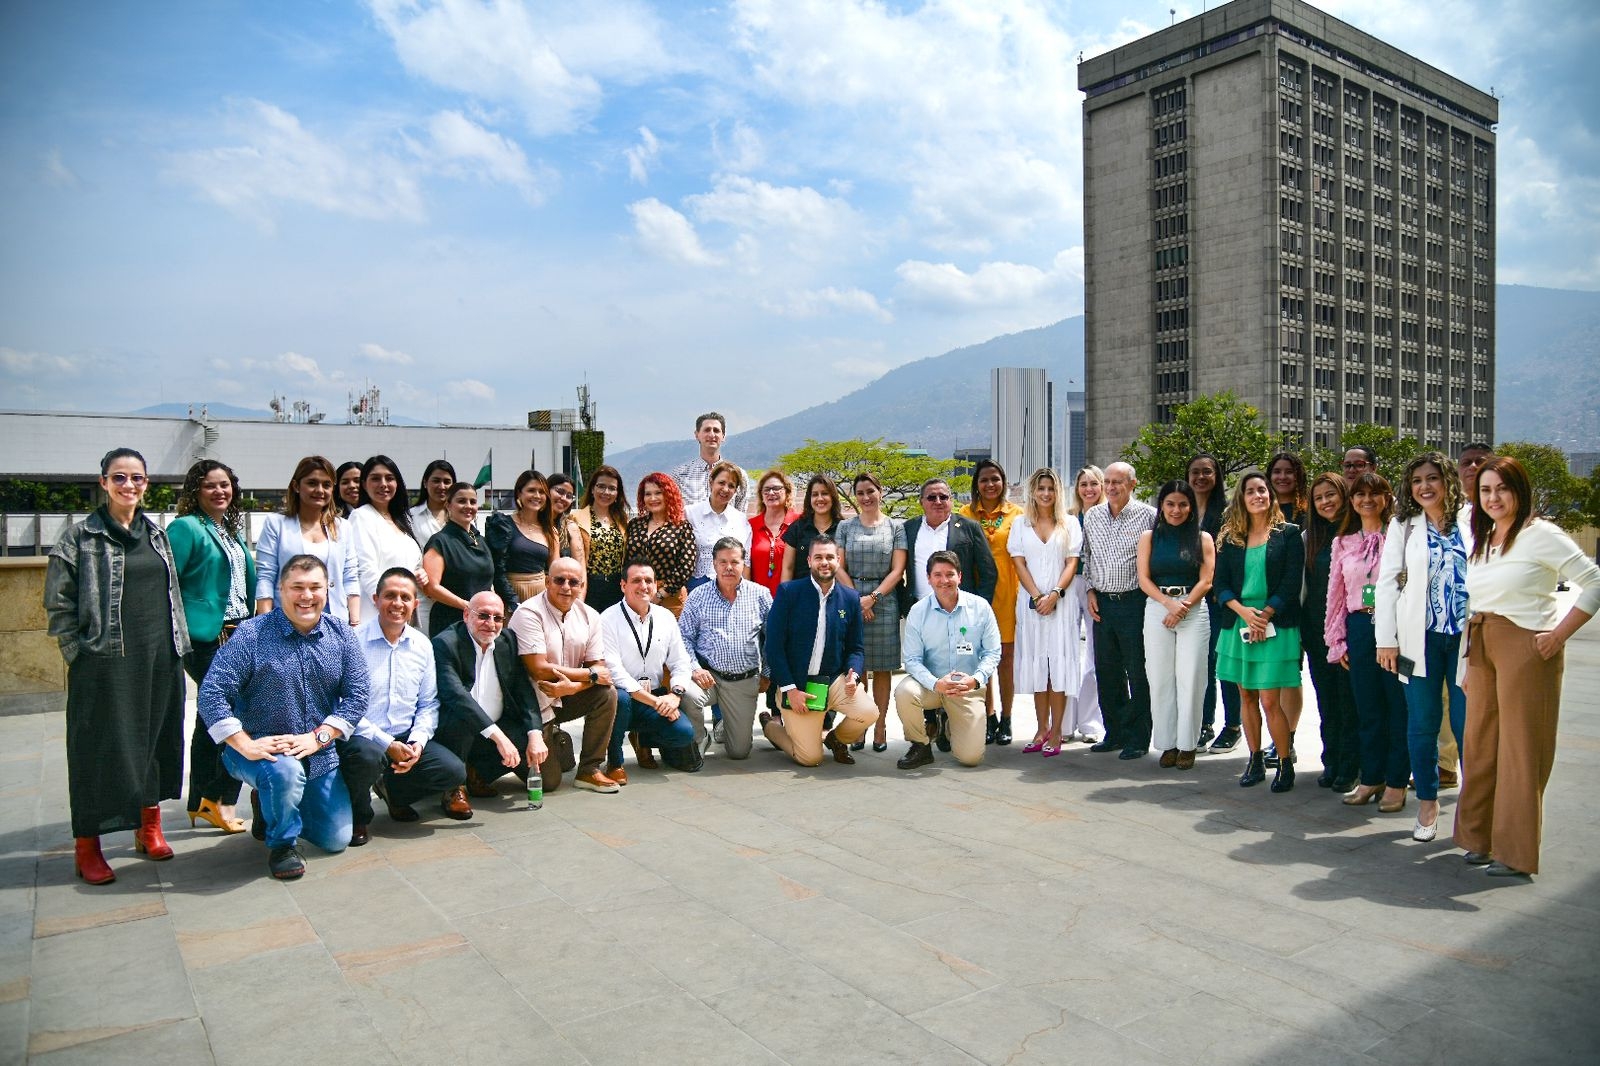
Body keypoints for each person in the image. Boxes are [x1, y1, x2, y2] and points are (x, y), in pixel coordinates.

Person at [45, 447, 189, 885]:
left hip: (160, 656)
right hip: (105, 663)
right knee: (97, 751)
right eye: (120, 477)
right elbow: (58, 604)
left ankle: (149, 827)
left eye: (138, 478)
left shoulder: (157, 535)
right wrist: (81, 656)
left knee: (154, 742)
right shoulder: (80, 537)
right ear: (104, 481)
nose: (129, 485)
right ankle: (87, 845)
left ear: (147, 484)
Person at [1456, 456, 1600, 878]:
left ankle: (1515, 852)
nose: (1493, 498)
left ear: (1520, 490)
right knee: (1480, 745)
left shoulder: (1541, 535)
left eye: (1502, 488)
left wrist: (1558, 635)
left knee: (1521, 750)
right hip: (1482, 644)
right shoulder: (1485, 538)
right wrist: (1468, 664)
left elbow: (1593, 581)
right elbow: (1474, 601)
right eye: (1485, 490)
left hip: (1525, 645)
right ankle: (1478, 839)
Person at [197, 555, 366, 880]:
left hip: (317, 754)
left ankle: (273, 805)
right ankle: (283, 844)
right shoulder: (251, 635)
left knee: (336, 839)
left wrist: (319, 737)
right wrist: (243, 744)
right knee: (283, 773)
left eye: (315, 587)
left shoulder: (341, 635)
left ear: (326, 590)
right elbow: (212, 693)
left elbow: (358, 695)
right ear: (280, 589)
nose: (306, 596)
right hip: (262, 752)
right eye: (297, 588)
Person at [1377, 452, 1469, 843]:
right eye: (1417, 481)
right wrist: (1386, 639)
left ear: (1448, 480)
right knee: (1422, 723)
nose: (1425, 486)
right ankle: (1428, 802)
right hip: (1421, 638)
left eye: (1432, 478)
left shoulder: (1472, 520)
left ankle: (1473, 811)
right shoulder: (1404, 526)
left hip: (1466, 640)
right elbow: (1385, 583)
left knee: (1470, 727)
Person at [339, 569, 470, 845]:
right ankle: (359, 816)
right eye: (390, 596)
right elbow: (345, 706)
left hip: (405, 734)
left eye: (405, 597)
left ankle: (395, 792)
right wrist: (387, 744)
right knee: (366, 758)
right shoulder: (354, 642)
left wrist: (418, 742)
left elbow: (428, 702)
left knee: (453, 770)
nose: (397, 603)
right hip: (364, 737)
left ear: (414, 604)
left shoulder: (421, 645)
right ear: (375, 599)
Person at [167, 459, 256, 834]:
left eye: (225, 485)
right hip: (206, 637)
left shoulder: (230, 531)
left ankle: (202, 802)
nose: (220, 491)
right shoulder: (185, 529)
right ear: (195, 492)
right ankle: (219, 799)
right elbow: (167, 585)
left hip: (237, 633)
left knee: (210, 719)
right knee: (229, 715)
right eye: (210, 486)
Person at [1214, 471, 1304, 791]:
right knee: (1246, 696)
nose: (1258, 495)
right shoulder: (1228, 537)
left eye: (1262, 490)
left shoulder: (1289, 534)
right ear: (1241, 498)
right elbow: (1220, 585)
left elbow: (1292, 583)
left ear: (1270, 495)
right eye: (1250, 491)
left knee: (1269, 700)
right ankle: (1253, 759)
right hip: (1239, 623)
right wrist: (1242, 612)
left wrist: (1264, 615)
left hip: (1275, 623)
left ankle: (1284, 762)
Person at [1326, 472, 1409, 813]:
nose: (1367, 500)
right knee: (1368, 709)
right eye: (1360, 494)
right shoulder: (1343, 541)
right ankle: (1371, 776)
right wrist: (1337, 640)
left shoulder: (1403, 536)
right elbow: (1336, 595)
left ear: (1388, 497)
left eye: (1375, 493)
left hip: (1398, 628)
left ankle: (1396, 782)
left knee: (1397, 708)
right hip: (1360, 627)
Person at [762, 536, 879, 766]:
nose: (824, 562)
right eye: (818, 557)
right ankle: (771, 728)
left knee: (869, 712)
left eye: (829, 557)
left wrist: (853, 674)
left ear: (838, 560)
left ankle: (835, 739)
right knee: (810, 758)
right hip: (798, 686)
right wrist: (790, 689)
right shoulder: (789, 593)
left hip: (833, 681)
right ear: (808, 561)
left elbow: (856, 647)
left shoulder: (850, 598)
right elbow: (773, 647)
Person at [509, 557, 622, 793]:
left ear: (582, 586)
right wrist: (587, 676)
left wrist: (573, 687)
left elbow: (599, 671)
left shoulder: (590, 615)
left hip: (564, 695)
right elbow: (539, 669)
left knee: (607, 694)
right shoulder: (528, 613)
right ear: (547, 582)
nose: (566, 587)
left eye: (573, 582)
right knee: (549, 783)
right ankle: (499, 754)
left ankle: (589, 770)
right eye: (559, 580)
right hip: (531, 707)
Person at [903, 477, 997, 749]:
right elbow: (897, 566)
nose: (938, 502)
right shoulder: (909, 529)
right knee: (927, 663)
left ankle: (955, 719)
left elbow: (988, 571)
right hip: (923, 612)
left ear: (951, 500)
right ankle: (930, 719)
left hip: (960, 611)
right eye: (931, 497)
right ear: (921, 502)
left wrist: (978, 609)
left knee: (959, 663)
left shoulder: (968, 527)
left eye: (943, 497)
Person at [433, 591, 549, 799]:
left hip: (495, 727)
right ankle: (453, 789)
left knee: (546, 774)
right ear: (466, 615)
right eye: (483, 616)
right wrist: (500, 738)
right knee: (462, 720)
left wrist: (535, 735)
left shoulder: (507, 640)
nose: (491, 623)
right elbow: (458, 698)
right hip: (456, 729)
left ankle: (478, 773)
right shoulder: (446, 644)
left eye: (498, 618)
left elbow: (523, 690)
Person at [601, 560, 710, 780]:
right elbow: (615, 672)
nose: (644, 586)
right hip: (625, 698)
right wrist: (654, 702)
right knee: (618, 698)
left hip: (656, 695)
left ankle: (642, 739)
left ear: (656, 584)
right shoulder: (607, 619)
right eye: (636, 580)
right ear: (623, 585)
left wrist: (675, 696)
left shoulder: (665, 617)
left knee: (683, 734)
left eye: (649, 580)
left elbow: (681, 661)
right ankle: (615, 761)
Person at [895, 551, 1004, 769]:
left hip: (967, 688)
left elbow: (992, 652)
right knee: (904, 692)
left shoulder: (980, 607)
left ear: (960, 577)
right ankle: (921, 745)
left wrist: (975, 680)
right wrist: (936, 683)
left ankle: (947, 724)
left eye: (950, 574)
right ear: (928, 578)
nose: (944, 581)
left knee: (970, 758)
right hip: (932, 685)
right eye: (937, 575)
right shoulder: (918, 611)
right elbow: (912, 660)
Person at [1136, 480, 1215, 770]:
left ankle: (1187, 745)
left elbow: (1206, 580)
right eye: (1170, 504)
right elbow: (1144, 578)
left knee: (1191, 678)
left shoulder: (1202, 537)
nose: (1176, 509)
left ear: (1191, 506)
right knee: (1159, 679)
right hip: (1158, 607)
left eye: (1183, 504)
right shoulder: (1150, 537)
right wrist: (1168, 604)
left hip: (1193, 611)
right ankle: (1167, 744)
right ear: (1162, 506)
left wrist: (1182, 607)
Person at [1082, 462, 1157, 760]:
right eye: (1108, 482)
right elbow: (1087, 557)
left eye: (1118, 482)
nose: (1111, 487)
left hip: (1134, 603)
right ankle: (1114, 732)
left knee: (1137, 672)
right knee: (1107, 671)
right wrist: (1089, 589)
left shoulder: (1148, 516)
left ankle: (1139, 737)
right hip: (1102, 604)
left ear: (1132, 484)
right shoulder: (1093, 515)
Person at [1007, 468, 1083, 756]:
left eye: (1051, 488)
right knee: (1039, 665)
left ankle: (1057, 732)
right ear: (1033, 492)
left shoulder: (1070, 524)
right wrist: (1038, 596)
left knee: (1058, 666)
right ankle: (1040, 729)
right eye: (1041, 488)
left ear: (1058, 492)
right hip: (1031, 606)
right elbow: (1019, 564)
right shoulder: (1020, 525)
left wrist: (1055, 594)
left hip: (1062, 606)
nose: (1046, 493)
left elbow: (1071, 563)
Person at [680, 538, 773, 760]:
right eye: (722, 562)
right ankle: (700, 737)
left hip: (743, 679)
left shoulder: (760, 594)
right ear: (713, 564)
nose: (728, 567)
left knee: (739, 752)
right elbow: (682, 636)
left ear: (743, 563)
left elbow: (774, 638)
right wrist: (694, 668)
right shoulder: (699, 596)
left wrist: (767, 673)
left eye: (734, 561)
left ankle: (727, 727)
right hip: (708, 676)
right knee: (688, 695)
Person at [836, 471, 907, 752]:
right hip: (852, 597)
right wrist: (857, 599)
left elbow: (898, 569)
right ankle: (860, 724)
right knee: (858, 667)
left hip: (885, 601)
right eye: (860, 493)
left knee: (883, 669)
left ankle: (880, 726)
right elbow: (838, 566)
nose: (866, 497)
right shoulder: (845, 527)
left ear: (881, 492)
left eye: (870, 491)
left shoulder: (895, 528)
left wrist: (873, 598)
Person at [1303, 473, 1360, 792]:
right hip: (1316, 632)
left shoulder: (1359, 533)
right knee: (1327, 700)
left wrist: (1369, 616)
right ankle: (1332, 760)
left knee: (1349, 701)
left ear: (1343, 495)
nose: (1325, 502)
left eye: (1330, 495)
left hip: (1351, 632)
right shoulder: (1309, 537)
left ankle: (1352, 765)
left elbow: (1370, 583)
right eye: (1319, 498)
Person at [961, 458, 1023, 745]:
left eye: (995, 479)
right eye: (984, 480)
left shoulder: (1017, 514)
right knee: (980, 660)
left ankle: (1008, 718)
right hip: (976, 596)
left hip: (1007, 595)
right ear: (976, 484)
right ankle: (989, 715)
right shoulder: (964, 514)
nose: (990, 485)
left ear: (1003, 482)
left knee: (1006, 661)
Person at [255, 455, 361, 624]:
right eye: (312, 483)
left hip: (334, 620)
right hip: (286, 621)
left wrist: (354, 623)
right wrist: (264, 624)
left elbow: (350, 577)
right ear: (297, 486)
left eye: (326, 485)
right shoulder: (276, 524)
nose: (320, 490)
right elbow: (266, 577)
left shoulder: (343, 527)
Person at [1188, 452, 1238, 752]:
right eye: (1195, 472)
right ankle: (1204, 723)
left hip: (1220, 600)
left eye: (1207, 471)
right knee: (1200, 665)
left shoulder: (1229, 513)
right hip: (1191, 600)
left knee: (1224, 664)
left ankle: (1232, 725)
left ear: (1217, 476)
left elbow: (1232, 557)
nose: (1201, 477)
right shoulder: (1182, 509)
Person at [348, 454, 428, 604]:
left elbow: (412, 563)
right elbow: (366, 570)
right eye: (375, 478)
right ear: (364, 484)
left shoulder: (403, 520)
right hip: (378, 610)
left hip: (402, 608)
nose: (383, 484)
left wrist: (420, 572)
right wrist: (385, 602)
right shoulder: (361, 516)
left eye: (389, 478)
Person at [421, 482, 493, 636]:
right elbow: (431, 588)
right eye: (461, 501)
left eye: (472, 502)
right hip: (451, 624)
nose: (468, 506)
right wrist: (468, 606)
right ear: (448, 505)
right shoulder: (440, 541)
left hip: (481, 621)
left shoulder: (481, 541)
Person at [1067, 466, 1107, 744]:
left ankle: (1091, 723)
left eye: (1094, 483)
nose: (1089, 489)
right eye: (1083, 484)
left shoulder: (1107, 517)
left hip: (1097, 588)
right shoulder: (1068, 518)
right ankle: (1065, 723)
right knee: (1067, 654)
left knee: (1093, 657)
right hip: (1070, 584)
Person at [627, 473, 697, 616]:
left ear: (669, 495)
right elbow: (627, 560)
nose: (653, 498)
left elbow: (686, 566)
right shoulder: (635, 524)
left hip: (671, 598)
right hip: (637, 592)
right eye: (648, 494)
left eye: (658, 493)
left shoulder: (681, 527)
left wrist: (659, 595)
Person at [487, 470, 558, 611]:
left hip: (542, 596)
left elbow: (555, 570)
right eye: (531, 490)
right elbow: (495, 567)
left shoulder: (551, 531)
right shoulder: (502, 525)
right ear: (519, 493)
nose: (537, 496)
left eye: (542, 492)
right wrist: (510, 599)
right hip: (510, 595)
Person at [686, 460, 752, 591]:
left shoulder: (741, 520)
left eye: (731, 486)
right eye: (721, 483)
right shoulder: (690, 513)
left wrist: (744, 595)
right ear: (711, 482)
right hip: (697, 587)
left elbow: (746, 563)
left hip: (732, 589)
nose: (725, 489)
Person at [407, 459, 456, 632]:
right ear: (425, 482)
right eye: (436, 480)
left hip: (456, 595)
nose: (442, 486)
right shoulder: (409, 517)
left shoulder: (461, 518)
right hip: (424, 596)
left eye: (447, 481)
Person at [573, 464, 629, 613]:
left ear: (618, 493)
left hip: (616, 587)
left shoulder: (623, 521)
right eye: (601, 486)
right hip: (589, 586)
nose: (606, 492)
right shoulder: (576, 518)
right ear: (592, 489)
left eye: (612, 488)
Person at [671, 411, 748, 511]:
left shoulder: (739, 475)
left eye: (716, 430)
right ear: (697, 434)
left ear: (723, 436)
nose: (712, 434)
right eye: (707, 430)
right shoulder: (679, 475)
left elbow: (741, 516)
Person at [779, 474, 844, 582]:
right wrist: (785, 596)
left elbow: (844, 569)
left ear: (833, 497)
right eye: (814, 494)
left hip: (835, 595)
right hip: (802, 594)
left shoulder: (843, 528)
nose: (819, 498)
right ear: (809, 499)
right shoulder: (797, 528)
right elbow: (788, 568)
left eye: (825, 493)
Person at [750, 469, 801, 597]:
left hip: (791, 599)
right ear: (761, 495)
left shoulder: (800, 522)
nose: (771, 493)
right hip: (757, 600)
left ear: (787, 492)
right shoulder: (751, 526)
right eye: (766, 490)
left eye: (776, 488)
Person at [546, 473, 588, 566]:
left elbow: (580, 567)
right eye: (560, 491)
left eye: (569, 496)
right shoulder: (532, 524)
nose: (564, 498)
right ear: (546, 490)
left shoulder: (570, 527)